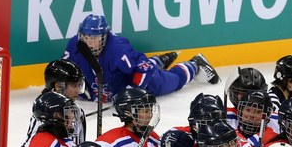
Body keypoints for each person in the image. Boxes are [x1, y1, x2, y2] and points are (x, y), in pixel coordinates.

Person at [62, 14, 216, 102]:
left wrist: (132, 92)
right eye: (86, 37)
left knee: (174, 81)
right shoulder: (75, 44)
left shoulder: (118, 49)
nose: (89, 42)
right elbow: (66, 69)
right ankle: (160, 60)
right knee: (140, 64)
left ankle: (195, 64)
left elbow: (143, 67)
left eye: (93, 38)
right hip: (114, 83)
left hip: (143, 80)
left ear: (103, 37)